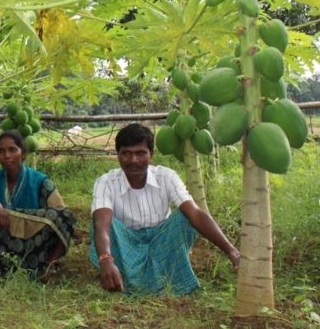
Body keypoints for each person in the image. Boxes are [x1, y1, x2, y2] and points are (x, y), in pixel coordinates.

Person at [90, 123, 240, 295]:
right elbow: (101, 224)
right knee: (102, 225)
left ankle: (135, 281)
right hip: (126, 244)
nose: (133, 160)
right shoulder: (106, 182)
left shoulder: (166, 177)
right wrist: (106, 259)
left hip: (161, 242)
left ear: (151, 155)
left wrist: (231, 250)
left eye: (141, 153)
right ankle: (131, 277)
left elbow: (196, 214)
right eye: (126, 153)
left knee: (184, 218)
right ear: (118, 155)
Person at [0, 130, 76, 280]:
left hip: (33, 248)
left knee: (63, 216)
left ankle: (47, 268)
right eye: (1, 151)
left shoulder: (39, 181)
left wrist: (51, 262)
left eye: (12, 150)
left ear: (23, 154)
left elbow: (64, 217)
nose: (7, 156)